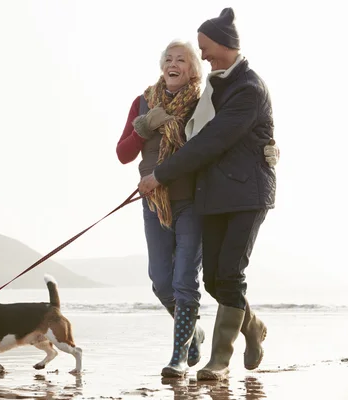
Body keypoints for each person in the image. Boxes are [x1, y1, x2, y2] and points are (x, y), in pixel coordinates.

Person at [138, 8, 277, 381]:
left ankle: (219, 360)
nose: (204, 56)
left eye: (206, 48)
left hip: (247, 194)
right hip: (213, 195)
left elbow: (212, 142)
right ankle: (253, 326)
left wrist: (160, 174)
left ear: (226, 46)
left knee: (229, 274)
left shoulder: (248, 89)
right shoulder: (216, 86)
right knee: (214, 281)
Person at [116, 39, 206, 378]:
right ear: (161, 66)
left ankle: (178, 358)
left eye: (181, 59)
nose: (174, 63)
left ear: (193, 70)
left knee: (185, 280)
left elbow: (209, 149)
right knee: (160, 281)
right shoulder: (142, 103)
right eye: (168, 58)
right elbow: (124, 154)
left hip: (193, 203)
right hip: (153, 202)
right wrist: (144, 127)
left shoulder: (202, 104)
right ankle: (193, 332)